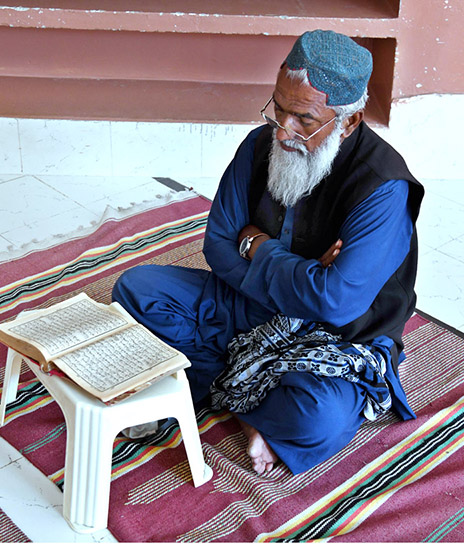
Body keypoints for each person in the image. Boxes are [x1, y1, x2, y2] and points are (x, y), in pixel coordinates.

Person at [112, 29, 424, 475]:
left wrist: (257, 245)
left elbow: (338, 304)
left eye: (304, 119)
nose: (284, 130)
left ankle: (210, 387)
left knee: (319, 417)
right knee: (136, 289)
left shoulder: (382, 187)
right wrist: (308, 278)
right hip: (249, 305)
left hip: (335, 336)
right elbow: (218, 246)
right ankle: (248, 400)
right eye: (278, 109)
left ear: (348, 121)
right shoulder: (260, 145)